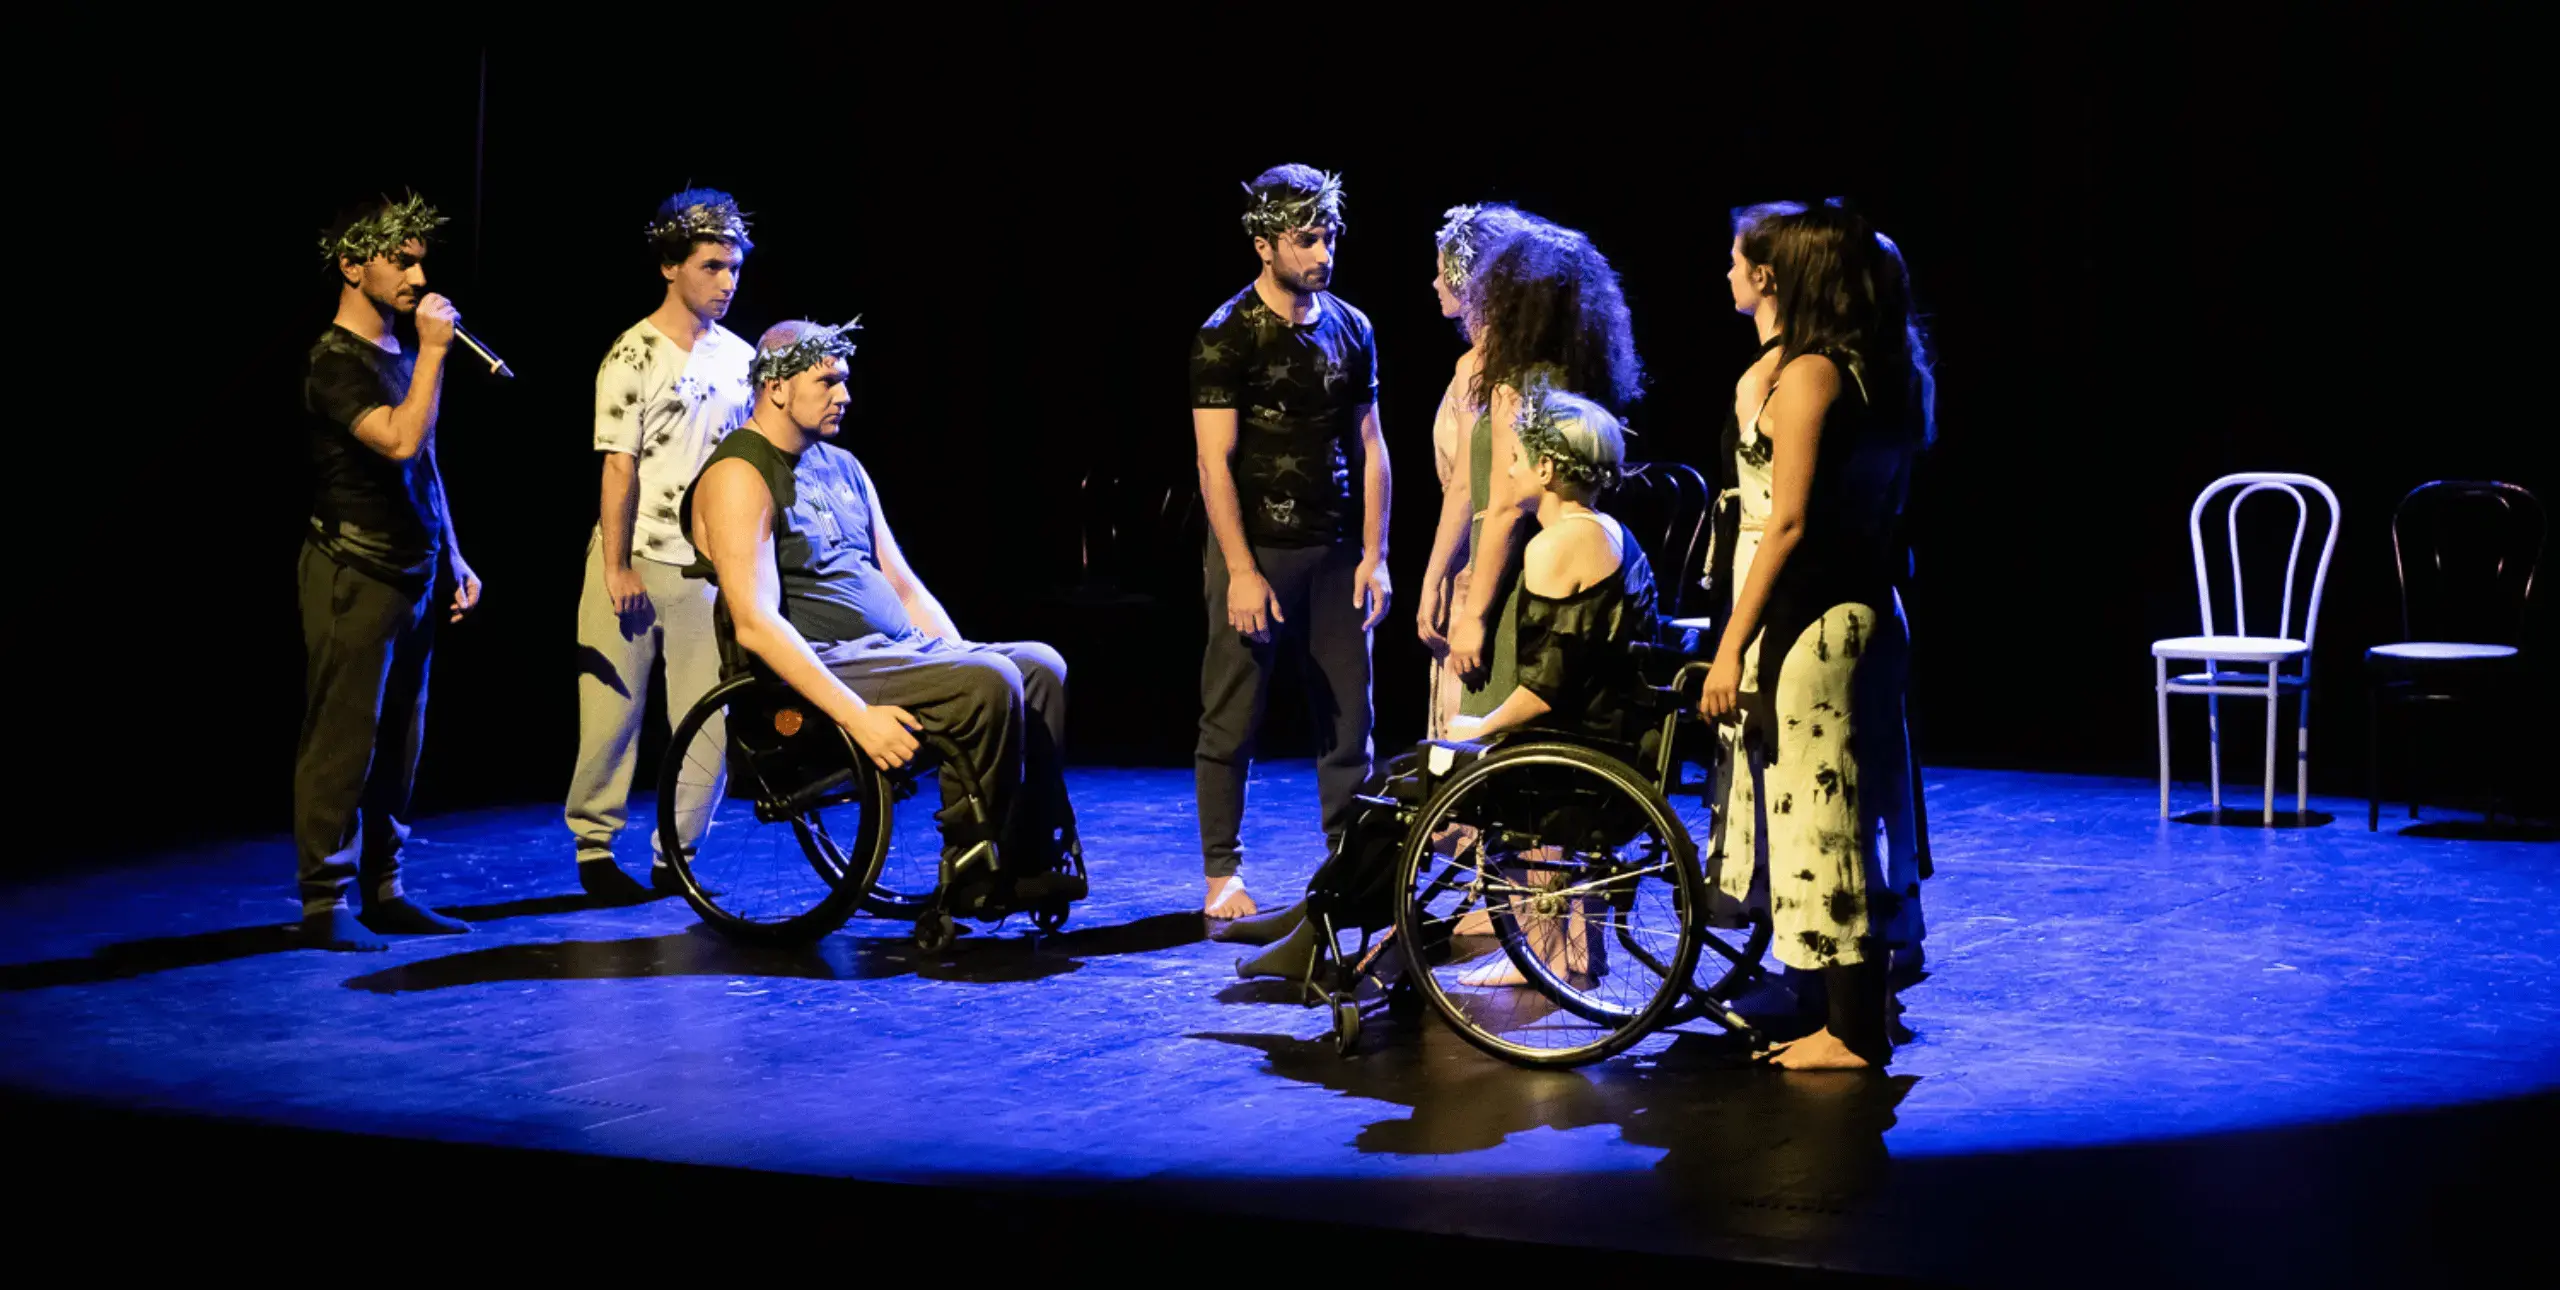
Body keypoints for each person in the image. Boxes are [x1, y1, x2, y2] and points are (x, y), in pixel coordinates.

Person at [1230, 387, 1653, 982]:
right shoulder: (1608, 530)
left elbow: (1549, 687)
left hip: (1572, 760)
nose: (1506, 469)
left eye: (1516, 458)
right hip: (1609, 743)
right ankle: (1319, 916)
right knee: (1403, 779)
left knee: (1401, 789)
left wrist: (1480, 725)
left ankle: (1324, 924)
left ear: (1548, 469)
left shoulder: (1555, 547)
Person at [681, 320, 1077, 893]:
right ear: (777, 388)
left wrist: (953, 654)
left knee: (1038, 666)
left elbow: (905, 587)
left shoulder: (842, 467)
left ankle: (1029, 853)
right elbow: (756, 623)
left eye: (845, 381)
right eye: (828, 382)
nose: (845, 396)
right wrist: (856, 715)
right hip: (821, 668)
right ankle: (972, 866)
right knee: (988, 679)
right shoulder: (740, 475)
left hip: (892, 655)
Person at [1697, 200, 1934, 1070]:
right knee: (1829, 811)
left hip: (1815, 621)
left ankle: (1851, 1028)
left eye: (1737, 258)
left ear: (1778, 275)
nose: (1726, 270)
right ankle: (1826, 994)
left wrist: (1731, 647)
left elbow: (1788, 522)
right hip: (1861, 609)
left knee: (1824, 815)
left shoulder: (1813, 375)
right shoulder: (1875, 367)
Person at [1189, 165, 1390, 920]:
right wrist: (1240, 570)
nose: (1323, 250)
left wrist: (1376, 553)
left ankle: (1350, 869)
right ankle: (1221, 875)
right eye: (1307, 238)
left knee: (1349, 721)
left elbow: (1371, 446)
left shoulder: (1353, 326)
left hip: (1336, 548)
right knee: (1233, 715)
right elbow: (1213, 460)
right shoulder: (1225, 334)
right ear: (1265, 244)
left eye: (1330, 233)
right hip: (1258, 551)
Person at [293, 193, 483, 951]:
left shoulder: (398, 354)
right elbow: (400, 443)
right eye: (399, 260)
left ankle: (386, 888)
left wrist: (457, 553)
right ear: (351, 265)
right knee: (345, 738)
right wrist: (435, 352)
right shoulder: (333, 363)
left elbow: (427, 463)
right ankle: (324, 902)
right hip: (354, 568)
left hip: (415, 567)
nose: (417, 273)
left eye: (419, 259)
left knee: (402, 738)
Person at [567, 190, 759, 900]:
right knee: (612, 713)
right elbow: (619, 465)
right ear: (670, 268)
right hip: (636, 557)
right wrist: (616, 566)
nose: (728, 282)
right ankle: (594, 850)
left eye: (734, 268)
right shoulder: (633, 353)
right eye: (712, 266)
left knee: (708, 718)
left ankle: (675, 852)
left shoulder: (741, 360)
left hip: (706, 570)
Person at [1440, 223, 1644, 721]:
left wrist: (1474, 616)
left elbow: (1506, 506)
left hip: (1518, 587)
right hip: (1549, 577)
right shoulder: (1580, 379)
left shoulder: (1523, 390)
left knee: (1494, 734)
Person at [1417, 203, 1542, 740]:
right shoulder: (1503, 358)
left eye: (1444, 269)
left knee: (1474, 713)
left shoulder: (1482, 367)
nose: (1434, 281)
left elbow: (1471, 485)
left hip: (1488, 549)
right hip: (1493, 544)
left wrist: (1436, 576)